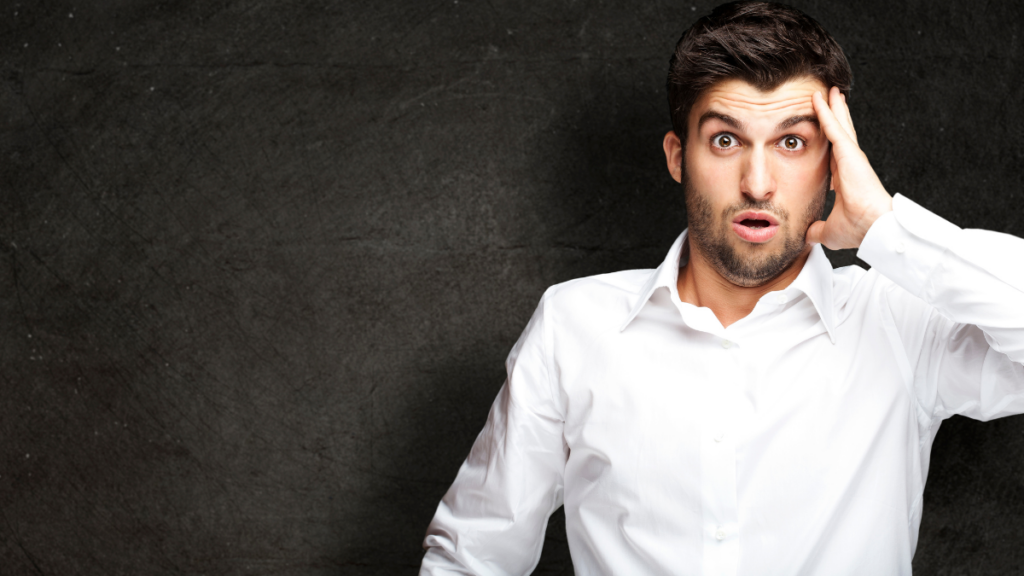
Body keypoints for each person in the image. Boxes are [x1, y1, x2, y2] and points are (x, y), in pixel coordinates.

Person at [419, 2, 1024, 574]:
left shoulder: (900, 324)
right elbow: (473, 555)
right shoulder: (574, 327)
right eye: (726, 140)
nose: (757, 183)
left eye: (793, 142)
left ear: (834, 162)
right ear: (678, 156)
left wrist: (884, 226)